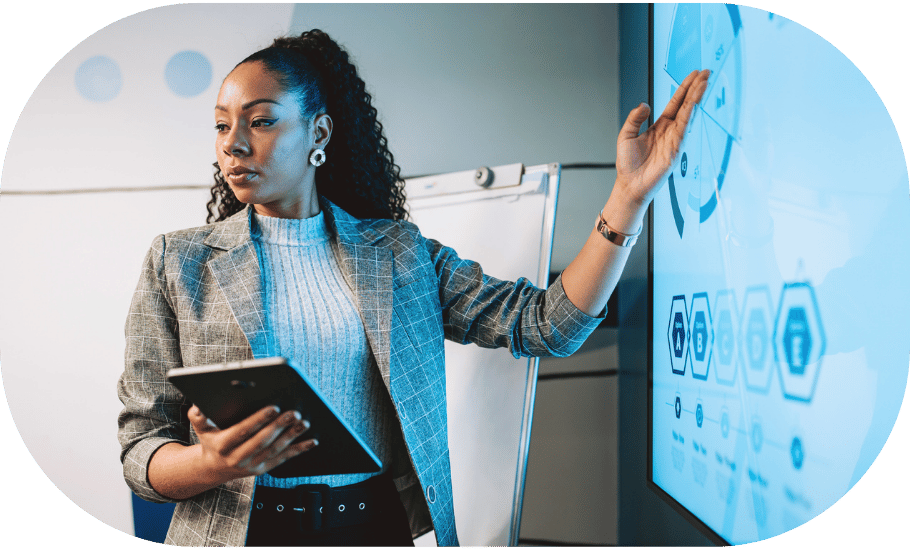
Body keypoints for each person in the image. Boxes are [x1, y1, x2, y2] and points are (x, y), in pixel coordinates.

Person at [117, 29, 709, 547]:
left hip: (370, 531)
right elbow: (141, 450)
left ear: (318, 131)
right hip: (239, 533)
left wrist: (628, 197)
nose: (233, 143)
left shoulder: (398, 254)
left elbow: (546, 325)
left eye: (261, 120)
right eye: (222, 125)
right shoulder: (179, 262)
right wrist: (209, 463)